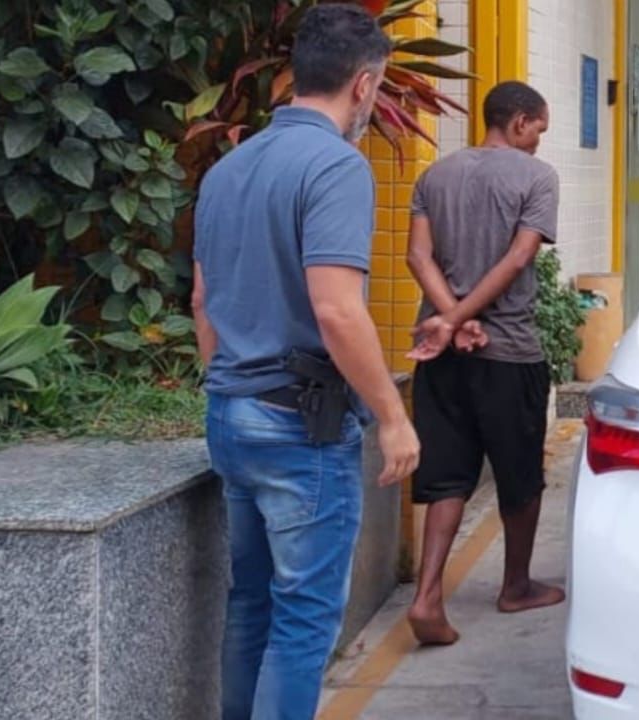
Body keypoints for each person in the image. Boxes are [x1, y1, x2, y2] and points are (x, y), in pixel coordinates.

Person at [191, 5, 429, 718]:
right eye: (379, 89)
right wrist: (393, 416)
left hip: (232, 415)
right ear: (362, 86)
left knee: (251, 608)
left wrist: (227, 385)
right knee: (302, 624)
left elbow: (203, 300)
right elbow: (336, 308)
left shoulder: (229, 167)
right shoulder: (336, 167)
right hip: (302, 430)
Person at [403, 81, 565, 645]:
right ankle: (516, 586)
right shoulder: (537, 178)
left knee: (447, 474)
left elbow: (416, 256)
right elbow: (520, 257)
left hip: (442, 356)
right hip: (508, 352)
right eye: (539, 131)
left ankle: (427, 597)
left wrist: (447, 318)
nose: (539, 144)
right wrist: (464, 318)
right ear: (520, 122)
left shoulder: (436, 175)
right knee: (520, 473)